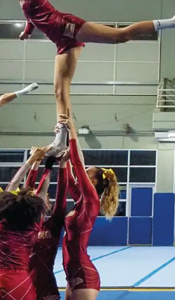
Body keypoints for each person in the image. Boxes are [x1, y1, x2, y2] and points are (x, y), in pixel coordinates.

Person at [0, 0, 175, 152]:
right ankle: (61, 139)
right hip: (61, 40)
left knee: (120, 36)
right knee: (60, 91)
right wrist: (27, 31)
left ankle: (174, 21)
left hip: (66, 26)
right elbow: (33, 16)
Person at [62, 122, 120, 300]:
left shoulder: (92, 201)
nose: (82, 175)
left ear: (92, 183)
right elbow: (70, 178)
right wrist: (63, 158)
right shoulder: (81, 201)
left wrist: (72, 132)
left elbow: (78, 165)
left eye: (86, 174)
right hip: (72, 274)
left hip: (84, 274)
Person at [0, 187, 47, 300]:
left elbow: (9, 188)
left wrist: (30, 168)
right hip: (23, 283)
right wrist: (46, 170)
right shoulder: (33, 228)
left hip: (0, 282)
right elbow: (42, 194)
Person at [30, 155, 71, 300]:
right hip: (23, 285)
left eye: (44, 199)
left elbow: (61, 194)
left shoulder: (53, 224)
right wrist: (38, 164)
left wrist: (62, 166)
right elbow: (29, 189)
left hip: (46, 286)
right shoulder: (25, 224)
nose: (39, 200)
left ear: (48, 205)